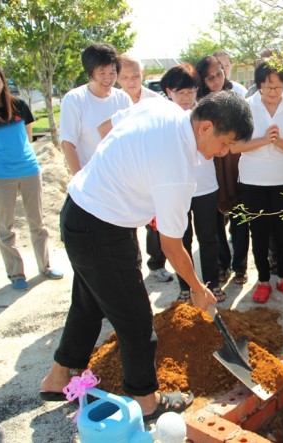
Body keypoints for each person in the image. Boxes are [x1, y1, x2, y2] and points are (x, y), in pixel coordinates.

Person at [39, 92, 254, 422]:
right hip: (101, 229)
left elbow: (112, 127)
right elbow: (171, 245)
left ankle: (57, 378)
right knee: (137, 320)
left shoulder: (162, 108)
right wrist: (197, 287)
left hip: (80, 211)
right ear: (206, 127)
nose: (223, 154)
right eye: (225, 144)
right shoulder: (178, 169)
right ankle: (145, 400)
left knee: (87, 304)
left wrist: (128, 177)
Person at [232, 61, 283, 303]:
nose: (273, 92)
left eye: (278, 87)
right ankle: (263, 280)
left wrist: (277, 141)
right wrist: (263, 140)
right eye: (268, 86)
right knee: (259, 232)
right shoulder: (245, 108)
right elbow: (235, 146)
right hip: (253, 180)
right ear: (259, 85)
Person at [0, 61, 63, 291]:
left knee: (37, 223)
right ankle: (16, 274)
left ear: (3, 80)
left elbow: (28, 139)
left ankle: (45, 267)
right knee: (6, 228)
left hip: (29, 170)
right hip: (0, 175)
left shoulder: (19, 105)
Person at [161, 64, 225, 303]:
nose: (187, 98)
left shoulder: (207, 115)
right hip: (177, 189)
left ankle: (212, 283)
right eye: (181, 93)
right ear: (169, 92)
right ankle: (186, 286)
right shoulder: (166, 120)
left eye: (191, 92)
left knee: (209, 237)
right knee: (181, 238)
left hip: (205, 187)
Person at [116, 54, 173, 284]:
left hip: (151, 170)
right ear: (118, 78)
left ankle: (156, 263)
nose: (131, 81)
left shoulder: (156, 101)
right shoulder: (115, 101)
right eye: (125, 77)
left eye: (136, 76)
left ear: (143, 75)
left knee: (154, 221)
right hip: (122, 172)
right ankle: (130, 267)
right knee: (125, 223)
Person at [196, 55, 250, 286]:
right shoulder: (198, 102)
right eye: (210, 77)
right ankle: (221, 265)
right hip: (209, 165)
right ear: (203, 79)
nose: (216, 79)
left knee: (240, 217)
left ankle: (240, 266)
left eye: (219, 73)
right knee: (215, 220)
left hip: (235, 162)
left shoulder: (236, 95)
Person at [59, 43, 132, 175]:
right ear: (89, 72)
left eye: (112, 72)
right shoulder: (74, 99)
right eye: (102, 73)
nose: (108, 78)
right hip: (91, 177)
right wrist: (79, 179)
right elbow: (68, 143)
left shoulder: (123, 99)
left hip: (121, 176)